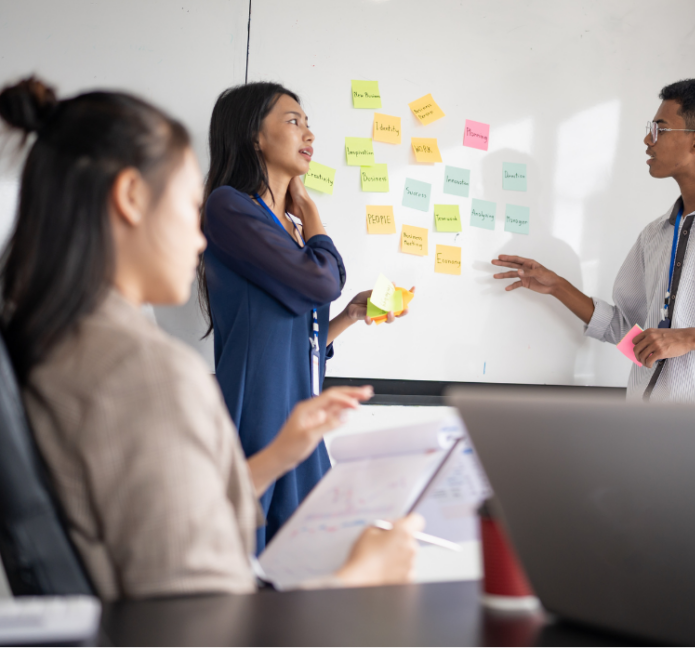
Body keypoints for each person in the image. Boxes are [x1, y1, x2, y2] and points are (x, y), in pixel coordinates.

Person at [0, 76, 423, 600]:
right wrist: (361, 576)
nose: (201, 238)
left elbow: (176, 515)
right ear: (131, 198)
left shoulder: (62, 344)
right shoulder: (147, 371)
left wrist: (280, 454)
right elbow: (202, 608)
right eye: (187, 206)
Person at [199, 83, 412, 550]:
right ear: (255, 136)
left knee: (305, 560)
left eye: (308, 124)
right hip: (259, 410)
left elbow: (297, 338)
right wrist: (312, 211)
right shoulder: (230, 206)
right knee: (255, 557)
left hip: (299, 413)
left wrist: (349, 315)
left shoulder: (289, 229)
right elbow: (324, 282)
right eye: (293, 121)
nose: (308, 134)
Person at [492, 79, 695, 424]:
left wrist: (690, 338)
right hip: (645, 429)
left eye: (660, 128)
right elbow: (628, 332)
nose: (648, 139)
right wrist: (557, 286)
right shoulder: (654, 235)